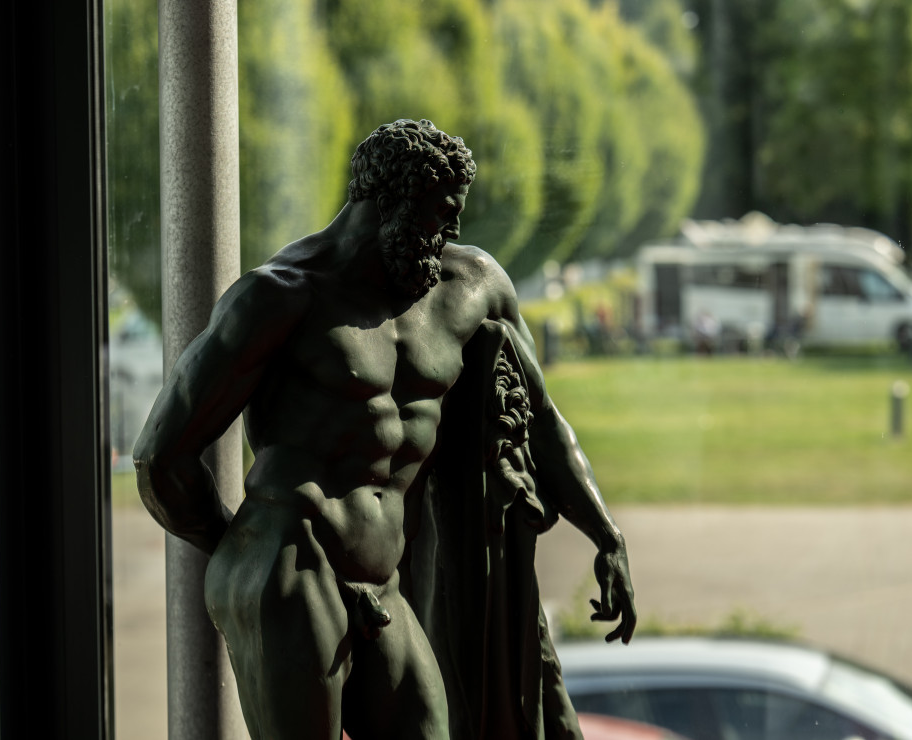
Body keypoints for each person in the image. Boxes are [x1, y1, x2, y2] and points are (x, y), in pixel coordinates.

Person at [134, 119, 637, 740]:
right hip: (292, 563)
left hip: (384, 580)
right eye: (439, 214)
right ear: (386, 203)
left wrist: (605, 536)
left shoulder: (470, 288)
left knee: (433, 726)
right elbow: (161, 457)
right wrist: (240, 554)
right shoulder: (281, 298)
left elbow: (539, 418)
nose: (451, 233)